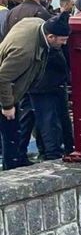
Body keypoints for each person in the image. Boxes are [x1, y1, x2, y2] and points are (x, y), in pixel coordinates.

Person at [0, 14, 70, 169]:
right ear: (50, 37)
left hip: (17, 87)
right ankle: (11, 167)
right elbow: (3, 78)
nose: (65, 43)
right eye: (62, 40)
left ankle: (17, 161)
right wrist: (7, 105)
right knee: (9, 131)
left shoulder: (36, 23)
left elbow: (24, 20)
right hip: (6, 91)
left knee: (16, 129)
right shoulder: (24, 52)